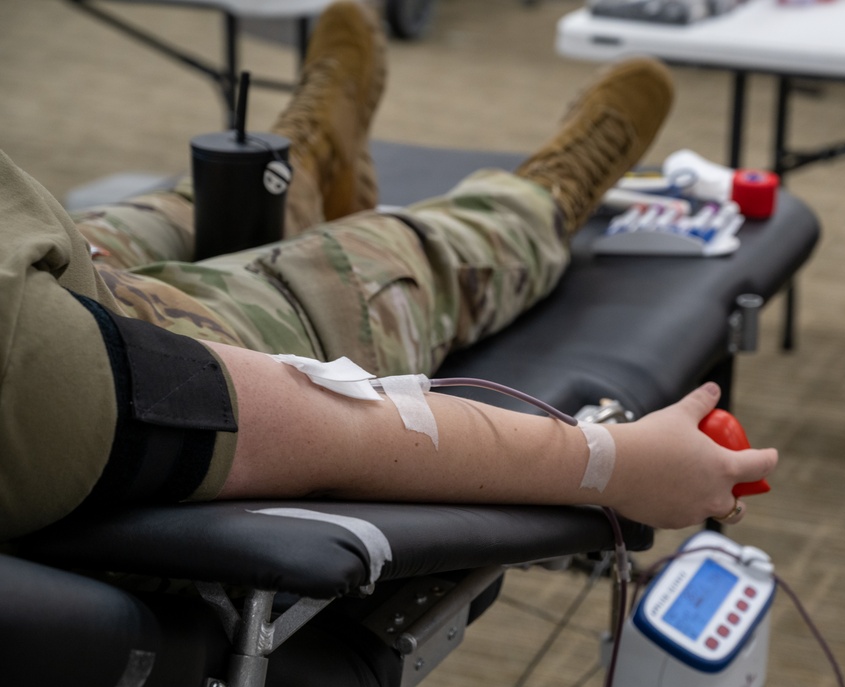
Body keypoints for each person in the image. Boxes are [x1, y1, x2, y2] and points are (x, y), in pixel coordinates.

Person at [0, 1, 776, 543]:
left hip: (44, 269)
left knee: (180, 209)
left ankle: (305, 166)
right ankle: (540, 200)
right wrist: (614, 465)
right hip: (82, 361)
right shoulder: (26, 375)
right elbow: (326, 427)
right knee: (385, 267)